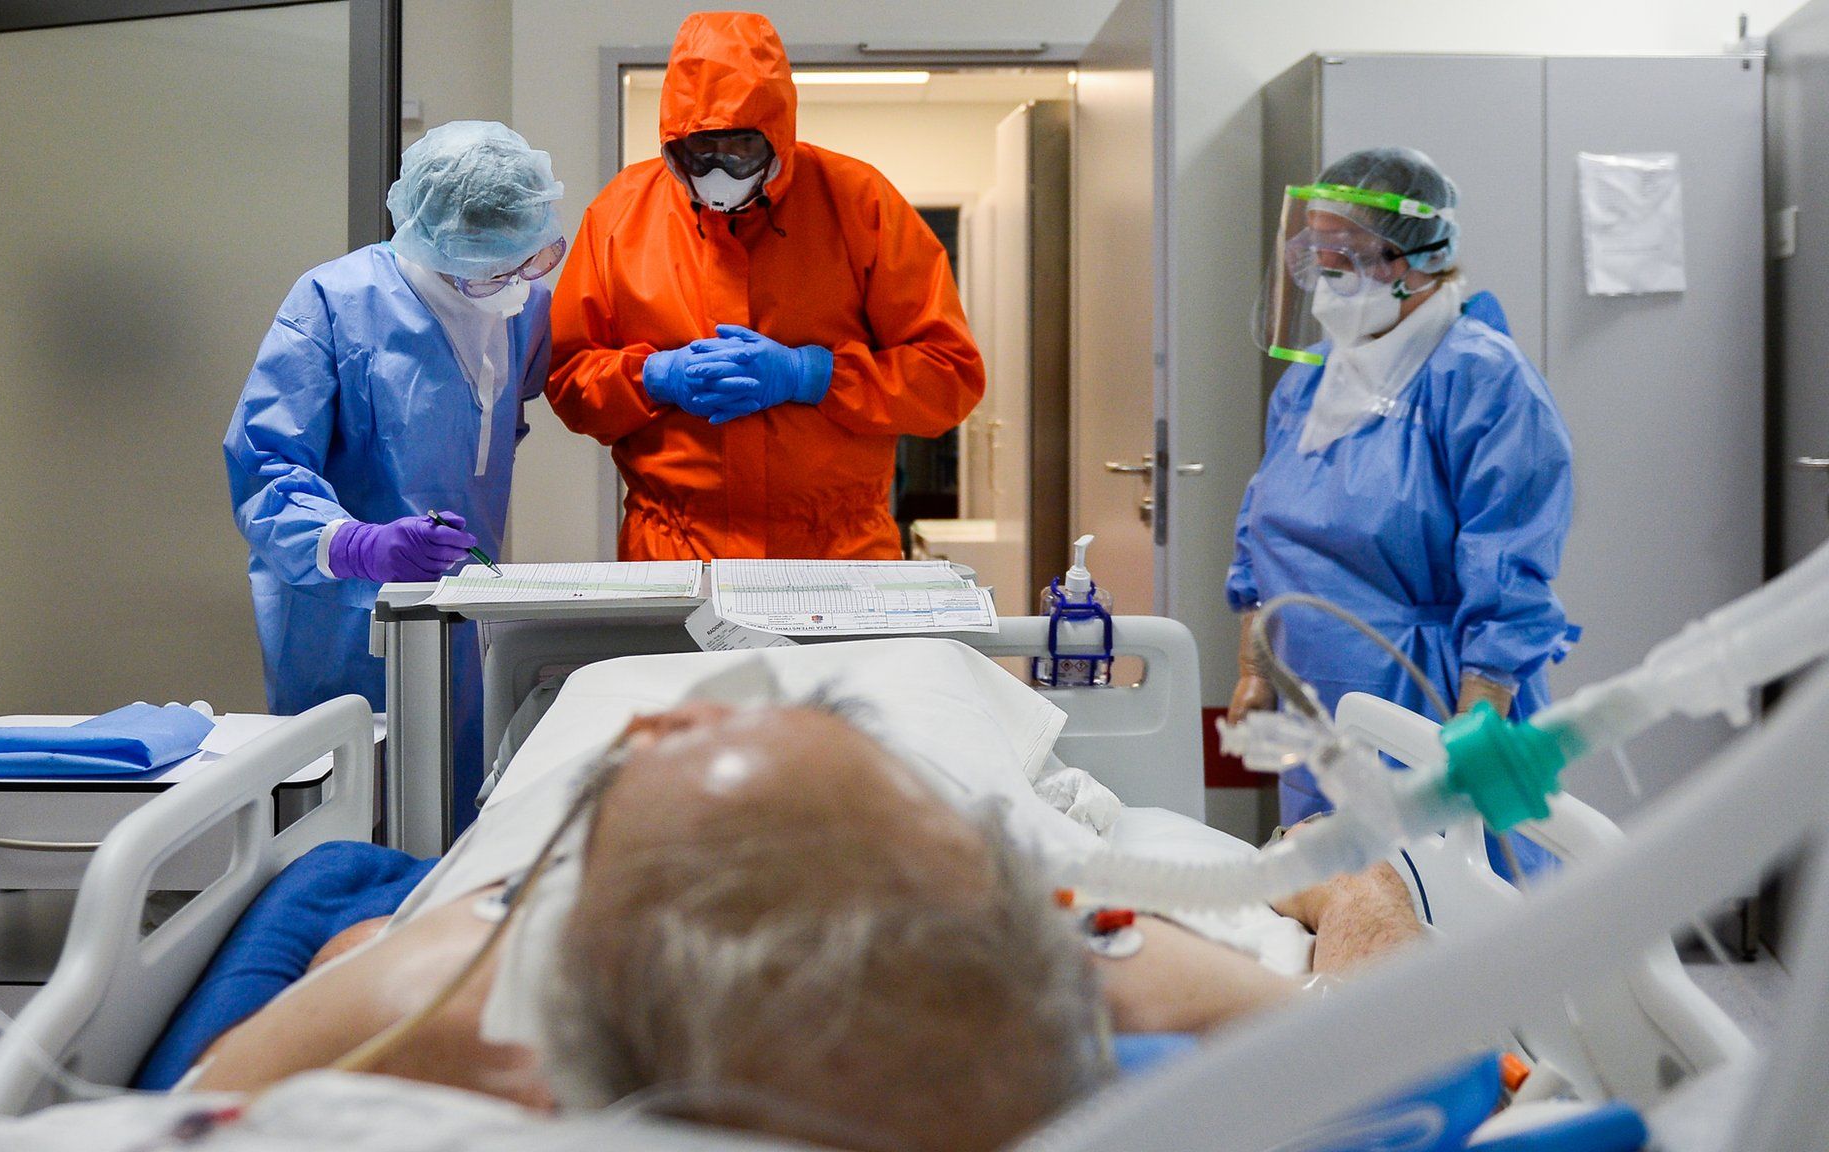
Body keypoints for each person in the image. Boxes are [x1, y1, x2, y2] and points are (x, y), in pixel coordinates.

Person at [191, 692, 1422, 1152]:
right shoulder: (1084, 971)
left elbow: (204, 1100)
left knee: (357, 940)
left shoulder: (445, 993)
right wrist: (1355, 893)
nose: (674, 711)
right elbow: (1400, 1023)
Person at [1229, 147, 1576, 873]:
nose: (1326, 273)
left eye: (1348, 254)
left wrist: (1477, 723)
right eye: (1316, 252)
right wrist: (1255, 668)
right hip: (1318, 701)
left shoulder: (1479, 378)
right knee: (1340, 899)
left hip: (1429, 700)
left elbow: (1508, 562)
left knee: (1448, 899)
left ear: (1420, 259)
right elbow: (1260, 530)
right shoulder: (1311, 384)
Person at [546, 11, 985, 561]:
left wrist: (814, 375)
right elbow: (567, 378)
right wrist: (654, 378)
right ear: (672, 143)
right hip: (674, 550)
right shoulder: (621, 214)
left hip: (838, 553)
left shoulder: (859, 203)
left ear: (778, 134)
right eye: (700, 151)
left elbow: (948, 378)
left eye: (741, 150)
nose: (719, 170)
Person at [225, 121, 565, 818]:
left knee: (453, 800)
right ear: (434, 237)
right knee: (346, 812)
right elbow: (265, 464)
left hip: (459, 611)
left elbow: (493, 420)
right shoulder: (335, 302)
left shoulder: (524, 308)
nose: (511, 282)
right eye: (489, 266)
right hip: (341, 618)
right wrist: (358, 544)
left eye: (526, 260)